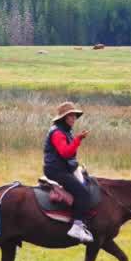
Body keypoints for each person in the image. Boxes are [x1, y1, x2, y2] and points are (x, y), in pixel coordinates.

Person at [44, 102, 96, 243]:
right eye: (71, 116)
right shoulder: (57, 133)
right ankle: (77, 227)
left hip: (63, 169)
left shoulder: (65, 131)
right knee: (83, 193)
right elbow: (66, 153)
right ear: (64, 118)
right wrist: (78, 139)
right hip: (57, 171)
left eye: (74, 116)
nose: (74, 119)